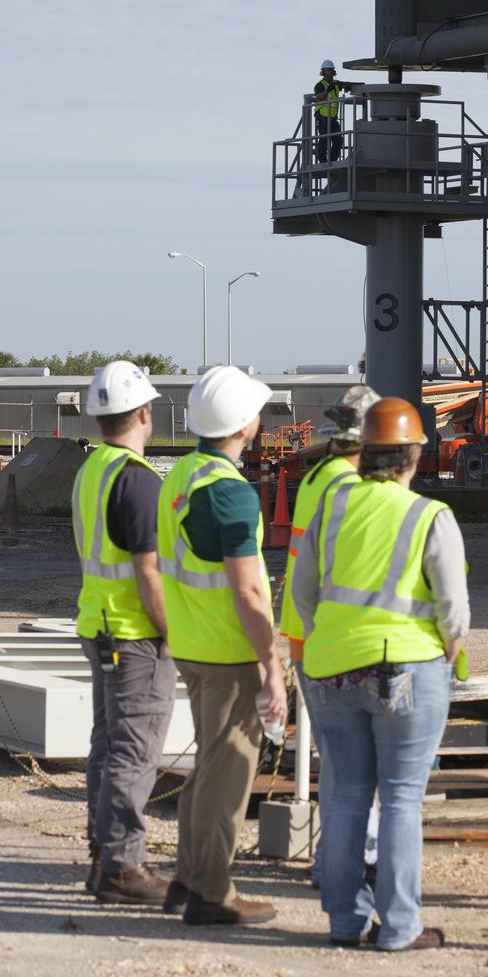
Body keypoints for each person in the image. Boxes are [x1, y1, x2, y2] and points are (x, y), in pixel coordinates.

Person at [292, 397, 469, 951]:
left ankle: (345, 925)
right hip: (406, 671)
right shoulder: (428, 516)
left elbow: (302, 594)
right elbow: (454, 613)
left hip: (329, 669)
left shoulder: (332, 508)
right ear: (415, 453)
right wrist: (448, 653)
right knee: (399, 800)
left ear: (364, 453)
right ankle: (398, 929)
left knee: (343, 796)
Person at [158, 365, 286, 926]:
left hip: (190, 645)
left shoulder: (182, 475)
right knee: (230, 771)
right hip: (228, 650)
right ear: (245, 424)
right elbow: (248, 590)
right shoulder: (233, 494)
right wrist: (273, 665)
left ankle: (187, 882)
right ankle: (212, 892)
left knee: (209, 766)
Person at [72, 360, 176, 905]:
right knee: (134, 753)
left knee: (108, 746)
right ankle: (122, 865)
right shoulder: (137, 480)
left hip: (100, 625)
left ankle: (104, 854)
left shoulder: (92, 471)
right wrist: (171, 632)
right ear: (142, 412)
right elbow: (149, 570)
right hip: (133, 634)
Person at [279, 384, 381, 891]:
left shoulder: (321, 474)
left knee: (336, 757)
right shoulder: (348, 486)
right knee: (351, 763)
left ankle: (334, 858)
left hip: (307, 632)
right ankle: (348, 862)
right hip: (332, 636)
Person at [313, 58, 355, 167]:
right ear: (323, 72)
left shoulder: (335, 84)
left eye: (331, 70)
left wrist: (348, 86)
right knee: (324, 138)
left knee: (338, 140)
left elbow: (344, 86)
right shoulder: (320, 85)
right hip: (322, 116)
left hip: (332, 118)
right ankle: (322, 162)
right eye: (328, 70)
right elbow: (319, 97)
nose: (330, 72)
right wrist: (327, 90)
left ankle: (332, 160)